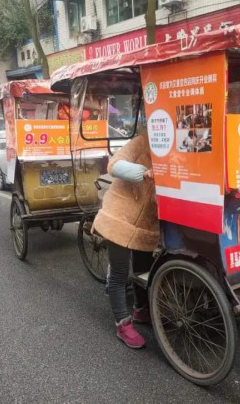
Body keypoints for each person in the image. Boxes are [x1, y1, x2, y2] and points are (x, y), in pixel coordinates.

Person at [92, 131, 159, 349]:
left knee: (142, 270)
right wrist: (145, 172)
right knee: (120, 273)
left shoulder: (177, 149)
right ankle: (122, 323)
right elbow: (115, 165)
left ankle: (140, 309)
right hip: (119, 216)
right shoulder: (142, 141)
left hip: (147, 223)